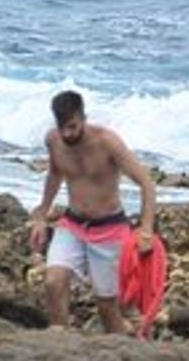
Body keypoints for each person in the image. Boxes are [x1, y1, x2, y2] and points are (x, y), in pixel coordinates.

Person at [27, 90, 158, 334]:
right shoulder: (54, 140)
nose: (67, 133)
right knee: (53, 281)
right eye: (62, 127)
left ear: (83, 118)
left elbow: (146, 183)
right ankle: (60, 342)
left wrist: (146, 229)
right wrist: (41, 216)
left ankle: (126, 347)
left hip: (109, 228)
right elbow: (55, 174)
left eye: (73, 126)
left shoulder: (107, 142)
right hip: (72, 224)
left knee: (107, 306)